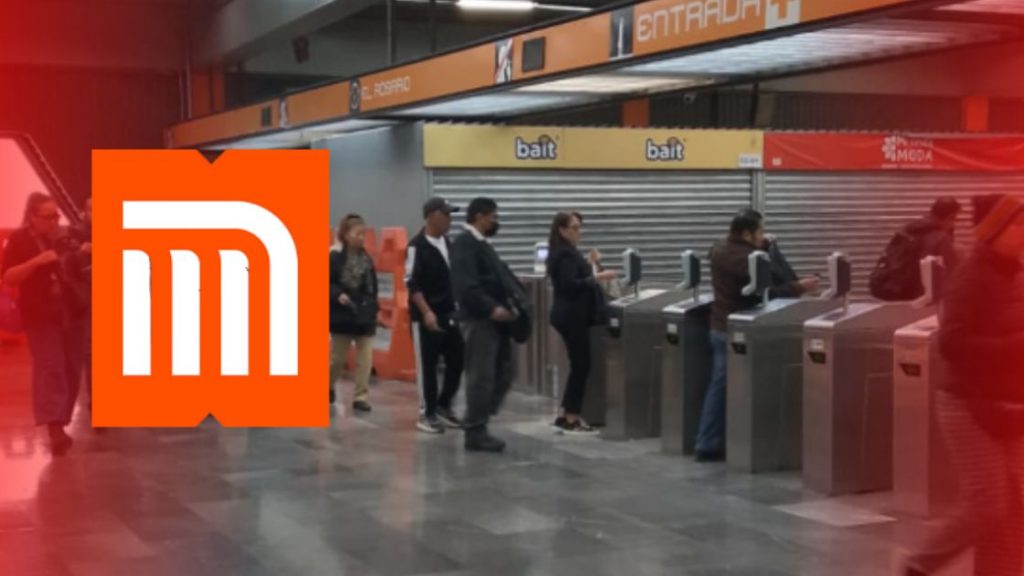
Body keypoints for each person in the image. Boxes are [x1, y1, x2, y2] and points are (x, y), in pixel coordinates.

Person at [905, 194, 1024, 576]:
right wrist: (1012, 346)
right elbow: (951, 343)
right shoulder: (970, 276)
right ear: (995, 230)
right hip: (967, 404)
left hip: (1007, 404)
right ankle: (919, 566)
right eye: (1018, 224)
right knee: (987, 503)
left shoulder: (1013, 272)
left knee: (1016, 504)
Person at [694, 210, 820, 462]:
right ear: (746, 233)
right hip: (737, 330)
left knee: (721, 385)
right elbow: (767, 292)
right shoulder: (745, 259)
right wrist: (799, 287)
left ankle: (718, 441)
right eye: (760, 231)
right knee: (722, 387)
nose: (763, 235)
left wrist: (762, 245)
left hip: (719, 326)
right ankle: (708, 442)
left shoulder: (720, 248)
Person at [1, 193, 90, 455]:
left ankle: (61, 418)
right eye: (48, 217)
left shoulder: (65, 236)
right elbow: (9, 277)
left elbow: (79, 267)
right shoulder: (19, 241)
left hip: (72, 311)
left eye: (56, 216)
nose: (54, 222)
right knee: (50, 368)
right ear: (32, 217)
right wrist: (36, 262)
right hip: (40, 315)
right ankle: (54, 426)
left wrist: (83, 255)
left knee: (72, 368)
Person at [451, 197, 516, 453]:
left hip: (496, 321)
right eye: (493, 217)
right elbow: (465, 286)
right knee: (482, 376)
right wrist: (491, 308)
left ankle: (478, 419)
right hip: (479, 321)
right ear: (480, 216)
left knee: (505, 372)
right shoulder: (465, 244)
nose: (495, 222)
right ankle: (475, 430)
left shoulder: (482, 244)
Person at [546, 212, 616, 435]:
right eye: (574, 228)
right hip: (572, 316)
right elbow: (570, 285)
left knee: (578, 365)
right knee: (581, 365)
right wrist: (599, 277)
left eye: (580, 227)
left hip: (569, 315)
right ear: (562, 230)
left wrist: (589, 263)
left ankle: (564, 414)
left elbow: (572, 275)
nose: (579, 232)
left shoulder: (565, 251)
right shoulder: (565, 253)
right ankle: (572, 417)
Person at [406, 197, 464, 434]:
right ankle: (426, 413)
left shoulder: (448, 243)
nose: (449, 220)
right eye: (446, 215)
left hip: (449, 313)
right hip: (426, 316)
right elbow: (412, 283)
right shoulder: (416, 246)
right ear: (431, 216)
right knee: (427, 367)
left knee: (457, 359)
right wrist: (426, 312)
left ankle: (443, 405)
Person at [329, 214, 379, 413]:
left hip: (363, 314)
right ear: (346, 234)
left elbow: (372, 286)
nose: (361, 238)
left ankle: (360, 396)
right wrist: (338, 294)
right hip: (342, 314)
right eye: (357, 234)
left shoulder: (366, 259)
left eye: (363, 234)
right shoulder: (335, 256)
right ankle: (327, 385)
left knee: (364, 358)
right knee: (337, 358)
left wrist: (374, 308)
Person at [870, 198, 961, 301]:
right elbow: (953, 272)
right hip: (920, 297)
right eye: (955, 219)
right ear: (950, 217)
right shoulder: (940, 238)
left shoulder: (910, 229)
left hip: (895, 290)